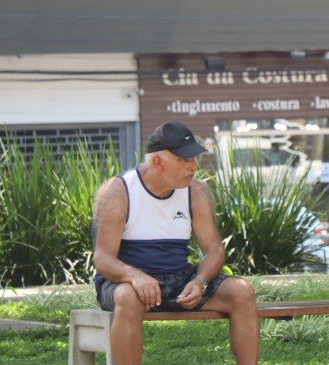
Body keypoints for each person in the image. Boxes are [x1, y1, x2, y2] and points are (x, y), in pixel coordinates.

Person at [92, 120, 259, 365]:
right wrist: (135, 276)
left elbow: (214, 250)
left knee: (242, 291)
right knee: (129, 296)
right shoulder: (119, 191)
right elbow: (102, 259)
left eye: (193, 160)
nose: (192, 167)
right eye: (183, 160)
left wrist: (199, 281)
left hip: (178, 280)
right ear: (158, 162)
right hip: (125, 283)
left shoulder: (195, 191)